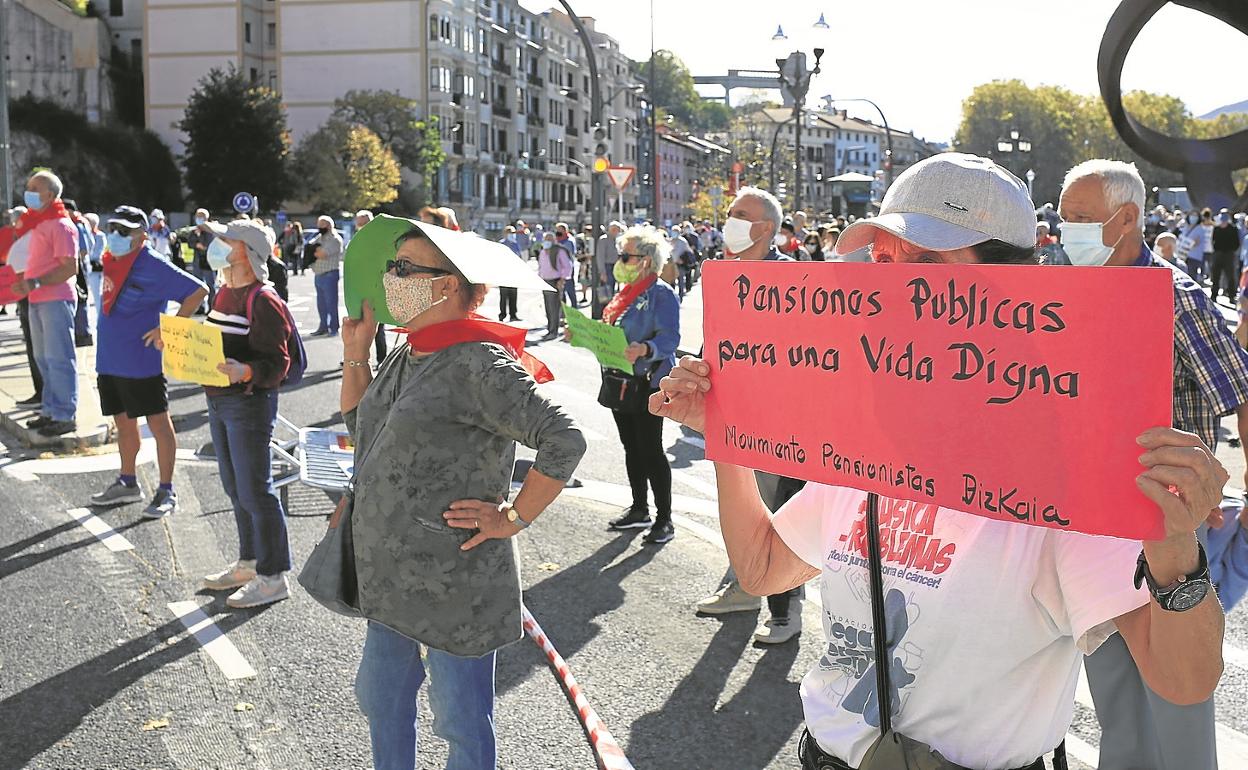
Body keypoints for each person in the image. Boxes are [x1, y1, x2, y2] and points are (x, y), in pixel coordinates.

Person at [654, 153, 1228, 770]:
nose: (894, 290)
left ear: (1013, 286)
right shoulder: (862, 441)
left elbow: (1184, 681)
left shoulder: (1067, 474)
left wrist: (1175, 548)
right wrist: (726, 437)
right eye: (883, 262)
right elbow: (763, 567)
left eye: (927, 263)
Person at [341, 221, 585, 770]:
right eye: (392, 267)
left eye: (404, 269)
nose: (390, 278)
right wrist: (357, 353)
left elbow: (564, 439)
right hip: (392, 574)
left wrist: (513, 517)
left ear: (448, 285)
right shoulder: (410, 350)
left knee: (460, 721)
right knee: (380, 700)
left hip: (455, 580)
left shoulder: (479, 361)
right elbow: (362, 428)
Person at [1059, 158, 1248, 770]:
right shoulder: (1073, 290)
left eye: (1080, 218)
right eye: (1063, 218)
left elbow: (1242, 396)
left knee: (1178, 706)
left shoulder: (1179, 299)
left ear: (1127, 219)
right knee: (1115, 697)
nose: (1065, 231)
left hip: (1167, 530)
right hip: (1093, 524)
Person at [692, 186, 805, 644]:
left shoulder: (793, 280)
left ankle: (785, 612)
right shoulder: (726, 275)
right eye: (731, 213)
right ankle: (743, 588)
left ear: (765, 228)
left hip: (782, 425)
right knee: (744, 511)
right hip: (736, 421)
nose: (730, 221)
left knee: (781, 516)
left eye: (740, 214)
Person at [87, 206, 207, 517]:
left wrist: (168, 328)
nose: (115, 235)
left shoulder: (152, 263)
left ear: (142, 235)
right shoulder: (113, 259)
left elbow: (198, 291)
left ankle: (166, 490)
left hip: (140, 361)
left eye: (124, 231)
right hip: (110, 359)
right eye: (112, 228)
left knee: (158, 424)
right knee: (123, 423)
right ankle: (128, 482)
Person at [199, 219, 295, 608]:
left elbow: (278, 363)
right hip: (220, 400)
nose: (218, 243)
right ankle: (250, 563)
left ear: (247, 252)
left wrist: (247, 371)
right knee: (235, 487)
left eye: (227, 239)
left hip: (248, 403)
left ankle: (273, 578)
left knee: (256, 490)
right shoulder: (224, 291)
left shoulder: (263, 299)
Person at [590, 225, 680, 545]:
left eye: (625, 256)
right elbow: (611, 330)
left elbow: (671, 338)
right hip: (621, 380)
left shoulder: (661, 294)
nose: (620, 261)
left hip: (648, 382)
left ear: (645, 260)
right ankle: (639, 507)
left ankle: (664, 519)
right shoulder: (624, 293)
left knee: (651, 449)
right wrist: (587, 334)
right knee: (631, 447)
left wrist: (645, 348)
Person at [13, 170, 80, 437]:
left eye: (34, 189)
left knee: (58, 358)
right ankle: (51, 410)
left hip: (55, 298)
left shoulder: (61, 225)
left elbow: (70, 267)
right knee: (44, 358)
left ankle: (64, 415)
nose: (28, 193)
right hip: (40, 299)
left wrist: (36, 282)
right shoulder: (41, 223)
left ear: (50, 195)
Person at [353, 210, 388, 359]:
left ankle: (382, 358)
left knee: (378, 326)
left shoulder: (379, 240)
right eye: (359, 224)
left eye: (364, 223)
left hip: (377, 288)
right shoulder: (356, 240)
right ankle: (355, 355)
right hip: (359, 288)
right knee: (356, 323)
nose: (361, 226)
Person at [310, 214, 343, 337]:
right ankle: (323, 327)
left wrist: (314, 251)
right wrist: (314, 251)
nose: (319, 228)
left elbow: (322, 254)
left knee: (331, 303)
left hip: (330, 274)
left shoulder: (335, 239)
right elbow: (309, 248)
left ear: (328, 226)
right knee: (321, 304)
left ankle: (334, 328)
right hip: (318, 274)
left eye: (321, 225)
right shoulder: (319, 238)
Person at [536, 229, 572, 339]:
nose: (547, 241)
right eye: (546, 239)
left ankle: (553, 332)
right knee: (548, 307)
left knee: (554, 308)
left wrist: (562, 280)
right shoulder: (543, 252)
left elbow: (567, 266)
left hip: (555, 281)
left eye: (549, 239)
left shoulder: (559, 251)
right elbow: (541, 267)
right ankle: (549, 329)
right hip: (544, 281)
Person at [185, 209, 217, 314]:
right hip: (197, 261)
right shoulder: (194, 230)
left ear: (206, 218)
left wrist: (199, 237)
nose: (198, 219)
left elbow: (207, 245)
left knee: (210, 285)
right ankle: (200, 307)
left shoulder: (211, 230)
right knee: (198, 285)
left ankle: (212, 307)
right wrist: (196, 243)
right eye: (197, 216)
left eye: (201, 217)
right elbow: (190, 243)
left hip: (208, 262)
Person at [1211, 211, 1243, 305]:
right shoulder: (1216, 228)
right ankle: (1214, 295)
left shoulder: (1233, 229)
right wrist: (1216, 250)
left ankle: (1231, 296)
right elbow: (1213, 240)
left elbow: (1237, 243)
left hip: (1229, 255)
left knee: (1230, 277)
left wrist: (1231, 250)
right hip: (1218, 254)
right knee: (1215, 276)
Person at [497, 225, 522, 322]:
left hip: (514, 273)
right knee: (503, 295)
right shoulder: (501, 244)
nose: (511, 234)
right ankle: (502, 314)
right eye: (509, 233)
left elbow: (519, 257)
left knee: (513, 294)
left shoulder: (515, 244)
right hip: (503, 273)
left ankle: (513, 314)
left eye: (513, 233)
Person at [1178, 208, 1210, 280]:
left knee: (1191, 276)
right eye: (1192, 215)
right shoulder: (1185, 227)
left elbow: (1195, 243)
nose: (1193, 217)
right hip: (1182, 255)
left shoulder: (1200, 229)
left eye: (1195, 216)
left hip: (1194, 257)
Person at [551, 222, 578, 308]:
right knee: (561, 291)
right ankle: (563, 310)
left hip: (567, 268)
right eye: (557, 230)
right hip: (558, 268)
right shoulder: (556, 240)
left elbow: (569, 254)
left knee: (570, 289)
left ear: (564, 230)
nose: (557, 232)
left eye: (559, 230)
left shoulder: (569, 241)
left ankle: (574, 307)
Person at [83, 212, 104, 323]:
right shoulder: (84, 234)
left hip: (94, 268)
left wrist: (87, 256)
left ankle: (101, 318)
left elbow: (98, 252)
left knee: (97, 295)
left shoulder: (100, 236)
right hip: (85, 267)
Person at [596, 220, 623, 296]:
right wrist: (602, 272)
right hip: (607, 266)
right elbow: (600, 256)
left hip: (615, 266)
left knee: (613, 288)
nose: (618, 232)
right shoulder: (603, 239)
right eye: (617, 230)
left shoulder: (617, 240)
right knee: (608, 289)